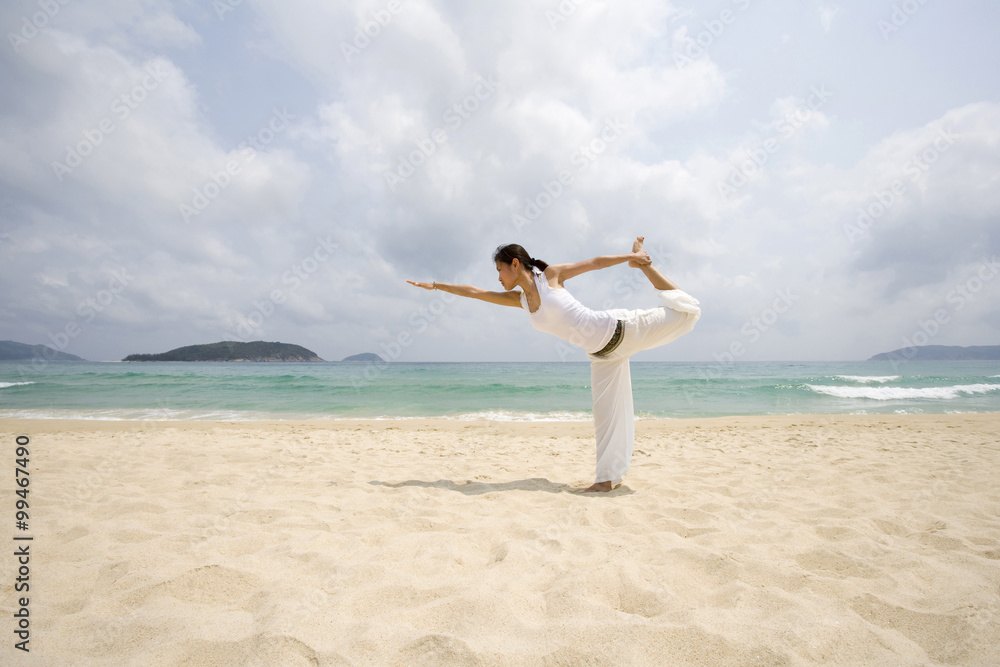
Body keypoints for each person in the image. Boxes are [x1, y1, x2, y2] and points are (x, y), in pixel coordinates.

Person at [407, 237, 701, 492]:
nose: (497, 278)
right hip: (602, 355)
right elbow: (475, 292)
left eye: (499, 270)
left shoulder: (550, 277)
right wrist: (436, 286)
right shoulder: (521, 301)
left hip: (618, 330)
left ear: (514, 264)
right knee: (606, 418)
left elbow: (595, 262)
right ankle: (606, 479)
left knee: (688, 312)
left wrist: (632, 258)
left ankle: (645, 266)